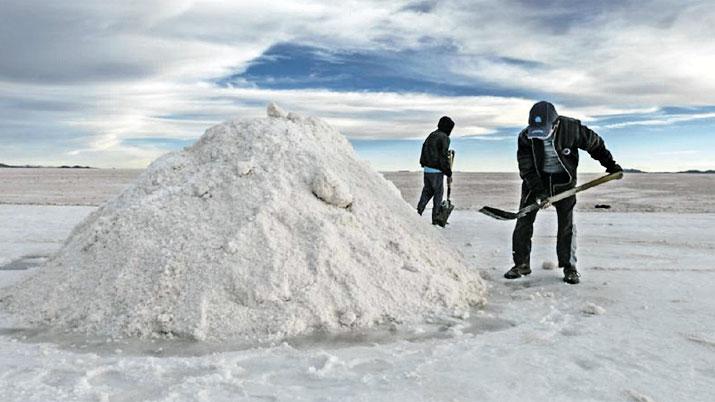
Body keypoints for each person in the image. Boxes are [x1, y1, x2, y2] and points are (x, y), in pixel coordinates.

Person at [505, 101, 622, 284]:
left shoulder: (572, 129)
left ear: (555, 123)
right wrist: (539, 192)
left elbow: (595, 145)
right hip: (536, 182)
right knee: (523, 222)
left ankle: (569, 267)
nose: (541, 137)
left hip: (564, 183)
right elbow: (526, 168)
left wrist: (610, 165)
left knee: (566, 225)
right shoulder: (525, 137)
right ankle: (521, 264)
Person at [417, 116, 454, 225]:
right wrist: (448, 172)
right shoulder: (444, 138)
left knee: (427, 192)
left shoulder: (431, 135)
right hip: (437, 171)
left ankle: (418, 212)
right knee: (438, 194)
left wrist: (423, 163)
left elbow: (424, 147)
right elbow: (443, 156)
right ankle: (436, 219)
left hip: (427, 170)